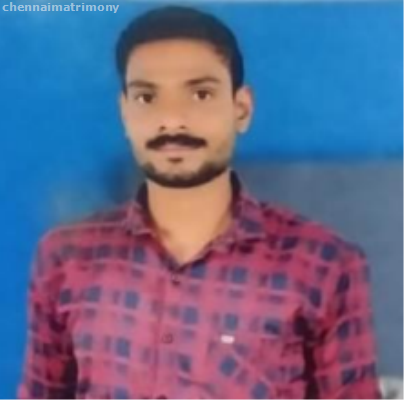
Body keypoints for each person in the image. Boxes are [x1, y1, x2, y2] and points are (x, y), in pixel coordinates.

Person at [17, 5, 382, 400]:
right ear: (125, 112)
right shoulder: (66, 257)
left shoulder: (323, 264)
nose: (172, 120)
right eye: (146, 97)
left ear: (241, 109)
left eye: (201, 93)